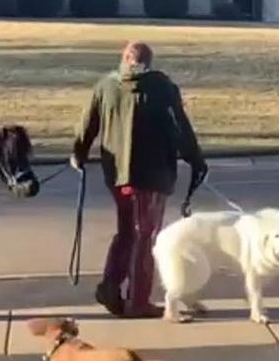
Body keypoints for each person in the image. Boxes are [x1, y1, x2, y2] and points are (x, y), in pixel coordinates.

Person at [70, 41, 208, 318]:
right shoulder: (161, 87)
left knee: (127, 231)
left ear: (123, 59)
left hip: (118, 175)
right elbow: (179, 126)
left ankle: (110, 286)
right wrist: (195, 159)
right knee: (145, 236)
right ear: (150, 62)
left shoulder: (105, 85)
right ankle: (137, 301)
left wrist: (79, 154)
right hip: (152, 174)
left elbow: (87, 125)